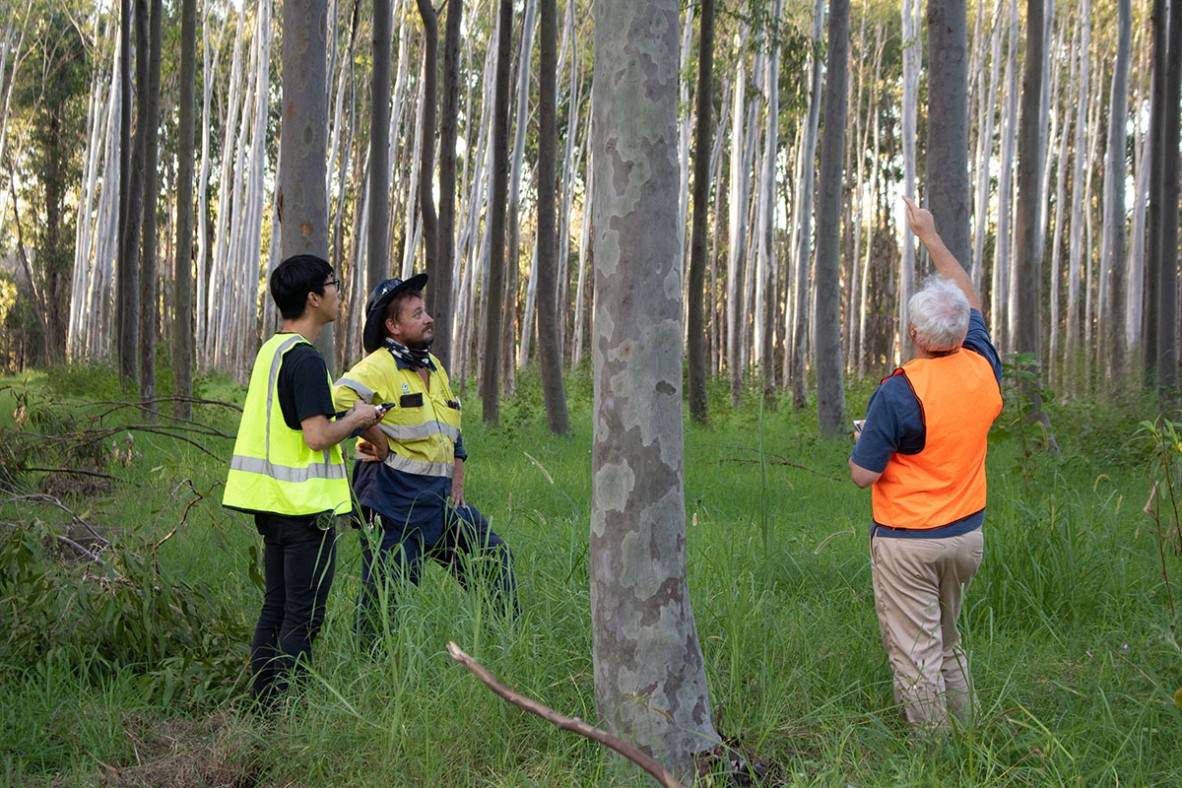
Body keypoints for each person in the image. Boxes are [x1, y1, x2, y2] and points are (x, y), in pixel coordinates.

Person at [848, 196, 1003, 732]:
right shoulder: (983, 367)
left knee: (916, 654)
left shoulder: (897, 392)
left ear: (915, 335)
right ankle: (967, 742)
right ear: (962, 333)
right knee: (947, 639)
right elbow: (966, 292)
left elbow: (863, 474)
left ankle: (936, 762)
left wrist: (870, 438)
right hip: (966, 539)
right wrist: (931, 237)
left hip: (909, 541)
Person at [223, 254, 385, 707]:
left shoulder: (271, 351)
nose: (339, 292)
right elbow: (316, 436)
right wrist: (357, 419)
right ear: (314, 298)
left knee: (275, 609)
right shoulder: (307, 360)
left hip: (272, 508)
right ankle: (286, 712)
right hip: (305, 512)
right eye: (333, 284)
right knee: (303, 617)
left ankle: (264, 708)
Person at [333, 274, 517, 639]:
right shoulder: (378, 366)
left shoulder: (434, 368)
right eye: (417, 313)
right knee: (387, 599)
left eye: (426, 310)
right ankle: (375, 674)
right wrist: (375, 438)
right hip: (393, 500)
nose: (428, 317)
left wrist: (458, 473)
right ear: (393, 325)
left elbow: (451, 426)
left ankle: (507, 643)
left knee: (494, 558)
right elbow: (336, 399)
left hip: (441, 500)